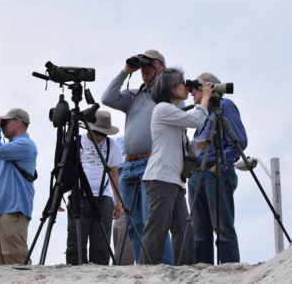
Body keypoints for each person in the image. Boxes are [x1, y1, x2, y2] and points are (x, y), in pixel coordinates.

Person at [101, 49, 174, 264]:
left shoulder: (166, 94)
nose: (144, 69)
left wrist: (161, 75)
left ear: (161, 66)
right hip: (129, 165)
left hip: (152, 162)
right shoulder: (134, 96)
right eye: (141, 66)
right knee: (133, 224)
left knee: (153, 222)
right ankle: (144, 268)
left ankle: (166, 269)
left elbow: (177, 92)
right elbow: (107, 98)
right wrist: (126, 69)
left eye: (149, 64)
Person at [139, 68, 214, 265]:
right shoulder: (163, 108)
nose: (186, 86)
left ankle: (185, 271)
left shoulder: (172, 113)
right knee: (158, 228)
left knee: (184, 229)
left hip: (174, 180)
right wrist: (205, 96)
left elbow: (179, 147)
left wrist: (197, 145)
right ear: (170, 88)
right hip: (160, 178)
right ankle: (146, 272)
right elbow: (197, 119)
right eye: (181, 82)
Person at [188, 72, 248, 264]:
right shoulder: (202, 112)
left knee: (222, 229)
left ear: (208, 88)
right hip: (198, 173)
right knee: (199, 232)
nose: (191, 94)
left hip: (216, 171)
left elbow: (239, 140)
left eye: (194, 90)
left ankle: (229, 270)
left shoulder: (225, 106)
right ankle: (203, 271)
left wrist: (222, 164)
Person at [0, 109, 37, 265]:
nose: (2, 126)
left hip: (13, 209)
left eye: (5, 122)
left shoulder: (25, 144)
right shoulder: (5, 148)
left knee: (16, 260)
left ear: (18, 122)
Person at [66, 111, 123, 265]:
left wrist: (117, 201)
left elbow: (114, 174)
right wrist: (57, 198)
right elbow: (65, 171)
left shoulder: (112, 145)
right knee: (76, 243)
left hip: (104, 198)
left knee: (101, 244)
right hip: (79, 197)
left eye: (104, 134)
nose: (100, 138)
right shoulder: (77, 141)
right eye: (97, 133)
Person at [111, 136, 135, 265]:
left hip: (126, 177)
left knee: (123, 223)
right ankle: (121, 264)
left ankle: (121, 264)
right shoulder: (118, 140)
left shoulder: (118, 140)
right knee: (121, 224)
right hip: (122, 195)